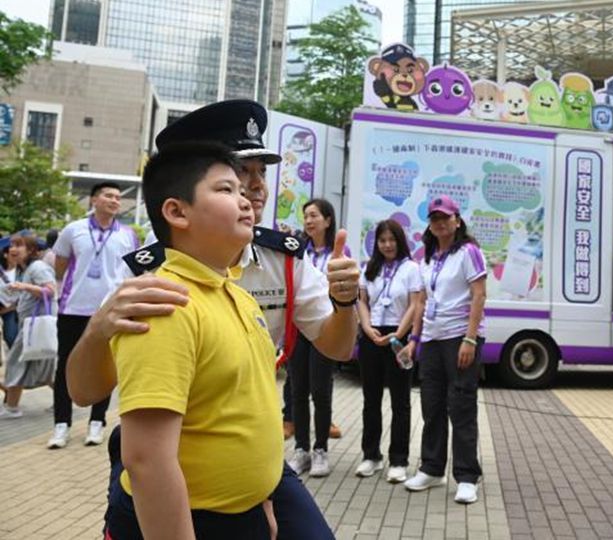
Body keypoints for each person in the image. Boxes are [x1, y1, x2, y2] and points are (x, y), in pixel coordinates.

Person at [65, 99, 357, 539]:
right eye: (234, 178)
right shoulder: (158, 288)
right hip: (181, 481)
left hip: (246, 480)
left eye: (259, 174)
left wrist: (345, 301)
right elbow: (123, 431)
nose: (254, 189)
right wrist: (96, 330)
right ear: (178, 207)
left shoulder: (254, 275)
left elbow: (336, 348)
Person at [104, 141, 291, 538]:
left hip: (244, 515)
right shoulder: (164, 304)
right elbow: (147, 461)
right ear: (177, 212)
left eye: (242, 190)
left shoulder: (237, 295)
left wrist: (260, 501)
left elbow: (245, 411)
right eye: (226, 189)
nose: (245, 200)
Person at [401, 195, 487, 504]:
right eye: (434, 218)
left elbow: (479, 295)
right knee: (432, 405)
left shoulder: (469, 252)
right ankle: (432, 469)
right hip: (432, 340)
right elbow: (421, 302)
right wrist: (414, 339)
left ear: (457, 221)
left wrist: (470, 339)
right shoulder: (427, 257)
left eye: (445, 217)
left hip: (459, 337)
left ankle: (466, 476)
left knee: (461, 406)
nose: (439, 223)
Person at [51, 181, 139, 448]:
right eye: (108, 196)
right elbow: (60, 265)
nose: (114, 201)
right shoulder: (73, 230)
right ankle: (61, 424)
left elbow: (131, 271)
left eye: (117, 197)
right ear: (93, 200)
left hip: (108, 310)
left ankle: (97, 422)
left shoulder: (127, 234)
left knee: (105, 365)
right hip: (73, 308)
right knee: (65, 366)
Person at [355, 219, 422, 482]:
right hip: (371, 335)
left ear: (400, 241)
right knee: (370, 399)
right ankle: (371, 456)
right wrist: (367, 327)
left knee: (400, 402)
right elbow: (361, 301)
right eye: (382, 240)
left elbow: (415, 305)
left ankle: (399, 460)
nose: (387, 245)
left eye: (392, 239)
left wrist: (400, 333)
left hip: (398, 337)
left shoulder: (411, 268)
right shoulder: (369, 268)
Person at [287, 198, 349, 478]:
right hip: (299, 329)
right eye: (306, 216)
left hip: (326, 327)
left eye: (314, 215)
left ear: (327, 220)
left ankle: (320, 449)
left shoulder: (339, 252)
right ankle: (301, 450)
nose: (309, 221)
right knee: (298, 390)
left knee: (321, 392)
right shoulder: (298, 251)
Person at [0, 232, 57, 418]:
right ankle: (62, 400)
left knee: (15, 362)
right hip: (32, 326)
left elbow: (50, 290)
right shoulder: (25, 269)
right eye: (11, 245)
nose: (13, 249)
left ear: (31, 250)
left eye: (19, 245)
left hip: (35, 326)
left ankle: (12, 407)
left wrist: (24, 287)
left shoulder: (37, 267)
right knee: (45, 368)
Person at [1, 246, 19, 352]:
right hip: (2, 307)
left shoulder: (22, 272)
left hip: (12, 310)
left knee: (11, 337)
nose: (16, 258)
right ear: (5, 255)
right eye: (13, 255)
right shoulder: (1, 271)